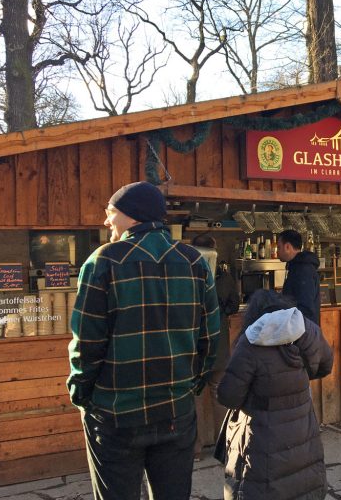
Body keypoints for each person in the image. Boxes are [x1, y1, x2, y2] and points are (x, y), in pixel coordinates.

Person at [67, 181, 221, 500]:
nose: (106, 220)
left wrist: (82, 394)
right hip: (176, 410)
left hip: (115, 413)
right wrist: (189, 387)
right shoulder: (194, 262)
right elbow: (209, 339)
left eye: (111, 212)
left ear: (132, 215)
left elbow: (86, 345)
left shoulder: (103, 261)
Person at [215, 289, 333, 500]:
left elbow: (228, 396)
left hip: (260, 442)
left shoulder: (249, 341)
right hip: (302, 432)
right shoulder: (307, 329)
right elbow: (325, 365)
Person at [191, 234, 240, 458]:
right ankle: (225, 446)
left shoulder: (187, 274)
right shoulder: (225, 276)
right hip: (218, 343)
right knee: (219, 394)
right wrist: (220, 312)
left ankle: (196, 448)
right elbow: (234, 305)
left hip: (194, 345)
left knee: (195, 398)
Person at [277, 229, 321, 324]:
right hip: (300, 328)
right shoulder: (296, 267)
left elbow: (305, 308)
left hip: (303, 329)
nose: (277, 251)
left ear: (287, 247)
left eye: (279, 247)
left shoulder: (302, 270)